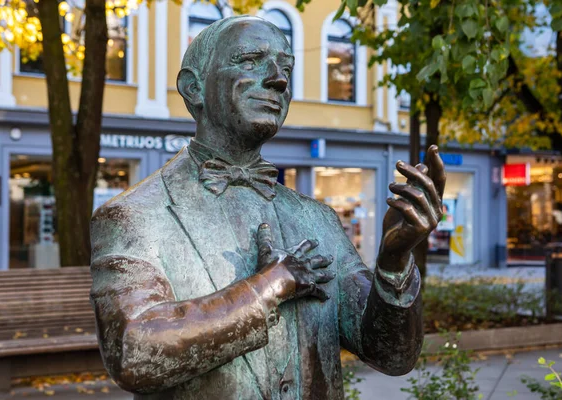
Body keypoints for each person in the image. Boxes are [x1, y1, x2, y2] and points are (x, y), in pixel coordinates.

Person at [90, 15, 445, 400]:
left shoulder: (317, 220)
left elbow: (392, 355)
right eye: (249, 61)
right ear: (194, 88)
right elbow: (133, 353)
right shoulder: (134, 216)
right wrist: (269, 287)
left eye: (286, 68)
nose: (279, 79)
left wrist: (394, 260)